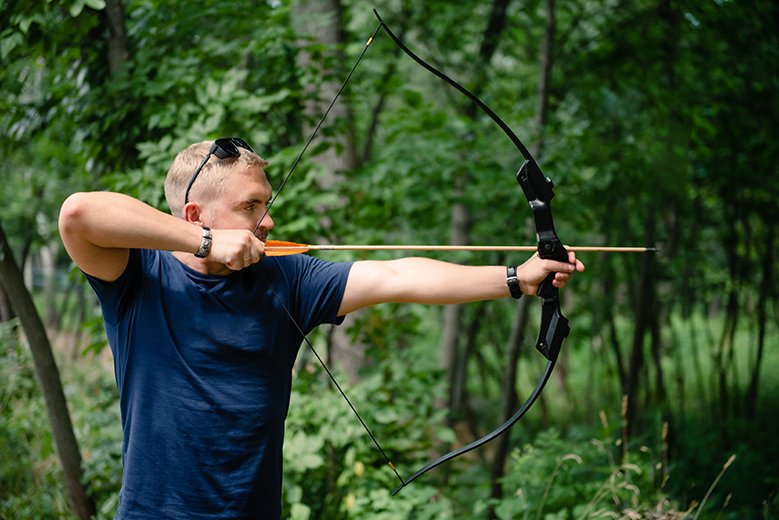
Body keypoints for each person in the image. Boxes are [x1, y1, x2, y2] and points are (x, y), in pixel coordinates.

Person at [58, 137, 584, 519]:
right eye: (250, 207)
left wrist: (518, 277)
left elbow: (398, 275)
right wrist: (201, 244)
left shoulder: (288, 278)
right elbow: (79, 213)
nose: (268, 222)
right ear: (196, 214)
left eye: (266, 205)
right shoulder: (137, 277)